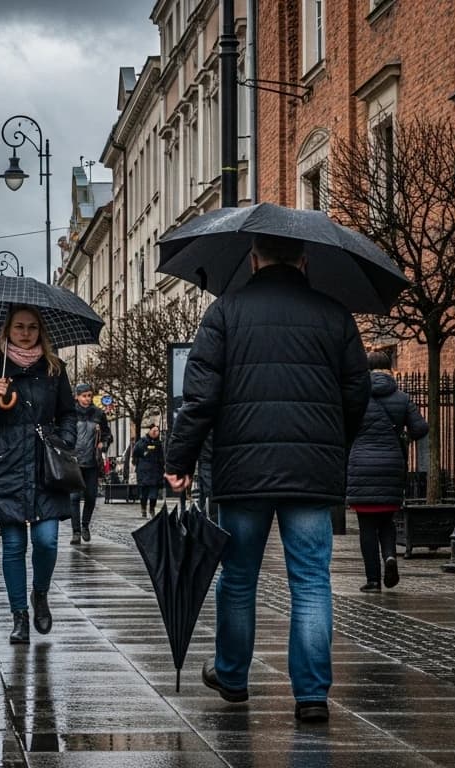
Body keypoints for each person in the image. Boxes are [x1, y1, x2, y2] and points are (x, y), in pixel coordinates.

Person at [164, 234, 369, 725]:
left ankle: (233, 675)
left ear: (253, 260)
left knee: (237, 579)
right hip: (311, 473)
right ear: (303, 259)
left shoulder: (224, 313)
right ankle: (313, 694)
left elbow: (199, 399)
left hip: (242, 472)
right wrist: (331, 443)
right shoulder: (334, 315)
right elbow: (357, 391)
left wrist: (180, 458)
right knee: (312, 581)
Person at [0, 306, 78, 646]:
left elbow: (68, 413)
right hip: (8, 463)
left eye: (31, 327)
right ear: (7, 331)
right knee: (13, 545)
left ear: (41, 331)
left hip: (46, 465)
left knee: (46, 540)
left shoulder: (54, 369)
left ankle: (40, 593)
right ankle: (19, 616)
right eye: (19, 327)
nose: (25, 333)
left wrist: (65, 442)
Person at [346, 351, 428, 593]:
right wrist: (404, 435)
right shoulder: (402, 398)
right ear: (390, 369)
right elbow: (421, 428)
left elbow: (344, 428)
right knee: (387, 521)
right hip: (391, 465)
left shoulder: (356, 398)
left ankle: (373, 580)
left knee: (367, 527)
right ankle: (390, 557)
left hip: (361, 466)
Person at [69, 383, 113, 543]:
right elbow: (63, 433)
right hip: (74, 461)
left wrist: (104, 443)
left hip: (92, 462)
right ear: (77, 397)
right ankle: (76, 531)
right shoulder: (71, 413)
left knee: (91, 496)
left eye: (89, 395)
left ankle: (85, 525)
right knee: (74, 497)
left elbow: (108, 434)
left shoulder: (99, 413)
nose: (87, 399)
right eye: (84, 396)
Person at [132, 424, 166, 518]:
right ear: (149, 431)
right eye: (154, 431)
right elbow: (135, 454)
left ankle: (152, 509)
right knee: (144, 494)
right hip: (144, 472)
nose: (156, 433)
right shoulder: (142, 442)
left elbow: (162, 458)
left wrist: (162, 468)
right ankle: (143, 509)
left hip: (155, 472)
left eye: (157, 431)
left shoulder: (158, 444)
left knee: (153, 494)